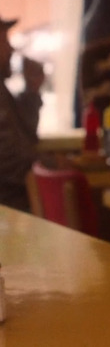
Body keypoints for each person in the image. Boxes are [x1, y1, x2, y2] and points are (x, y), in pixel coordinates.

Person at [0, 16, 46, 212]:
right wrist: (50, 164)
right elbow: (8, 162)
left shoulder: (2, 89)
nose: (10, 49)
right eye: (3, 42)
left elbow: (25, 134)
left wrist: (32, 90)